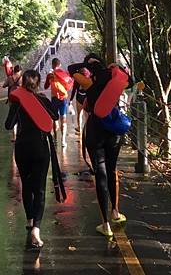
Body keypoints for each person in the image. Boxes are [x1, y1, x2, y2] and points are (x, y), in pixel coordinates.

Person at [69, 53, 129, 238]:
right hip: (113, 131)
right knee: (112, 170)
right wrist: (113, 66)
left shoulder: (88, 83)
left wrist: (88, 65)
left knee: (100, 174)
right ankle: (115, 212)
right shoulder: (113, 80)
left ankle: (105, 225)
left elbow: (71, 69)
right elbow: (131, 80)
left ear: (90, 69)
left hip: (95, 132)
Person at [5, 69, 60, 248]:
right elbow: (55, 116)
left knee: (27, 186)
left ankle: (29, 220)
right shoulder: (43, 100)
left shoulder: (18, 102)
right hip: (41, 149)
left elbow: (8, 125)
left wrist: (15, 104)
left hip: (22, 148)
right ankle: (36, 228)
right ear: (38, 83)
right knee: (40, 189)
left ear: (23, 83)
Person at [44, 58, 73, 147]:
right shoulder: (64, 74)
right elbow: (69, 85)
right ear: (59, 65)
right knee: (63, 119)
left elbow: (45, 86)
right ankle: (63, 141)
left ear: (52, 65)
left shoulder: (50, 75)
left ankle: (55, 139)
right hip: (63, 100)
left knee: (54, 120)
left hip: (54, 99)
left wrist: (49, 79)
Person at [68, 66, 91, 135]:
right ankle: (88, 130)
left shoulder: (77, 79)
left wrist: (71, 99)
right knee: (87, 115)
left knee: (79, 114)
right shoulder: (88, 79)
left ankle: (80, 129)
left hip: (79, 97)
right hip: (86, 98)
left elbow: (74, 90)